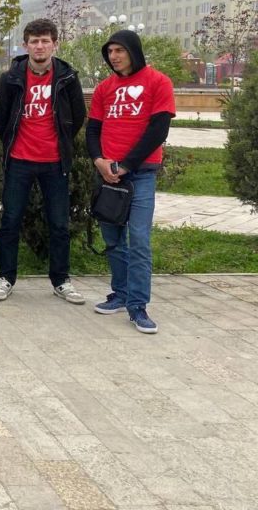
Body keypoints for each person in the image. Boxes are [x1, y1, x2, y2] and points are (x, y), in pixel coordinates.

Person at [0, 18, 87, 304]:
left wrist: (61, 142)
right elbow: (1, 118)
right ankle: (5, 278)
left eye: (45, 41)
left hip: (55, 162)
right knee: (10, 221)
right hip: (19, 160)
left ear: (55, 44)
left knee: (59, 224)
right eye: (34, 41)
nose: (40, 46)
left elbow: (77, 116)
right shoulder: (11, 78)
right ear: (26, 45)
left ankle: (61, 280)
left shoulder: (67, 77)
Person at [87, 29, 174, 334]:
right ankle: (121, 294)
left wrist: (126, 165)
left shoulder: (158, 82)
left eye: (119, 50)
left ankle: (138, 306)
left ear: (133, 51)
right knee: (113, 240)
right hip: (108, 175)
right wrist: (99, 161)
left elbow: (158, 130)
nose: (113, 56)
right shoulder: (104, 88)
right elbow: (93, 129)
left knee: (138, 241)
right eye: (110, 51)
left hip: (141, 174)